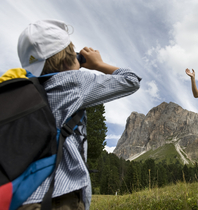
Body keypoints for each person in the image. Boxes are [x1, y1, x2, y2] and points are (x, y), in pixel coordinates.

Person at [17, 19, 141, 209]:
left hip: (20, 198)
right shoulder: (73, 82)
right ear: (69, 59)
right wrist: (98, 64)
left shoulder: (20, 90)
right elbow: (131, 80)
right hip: (60, 195)